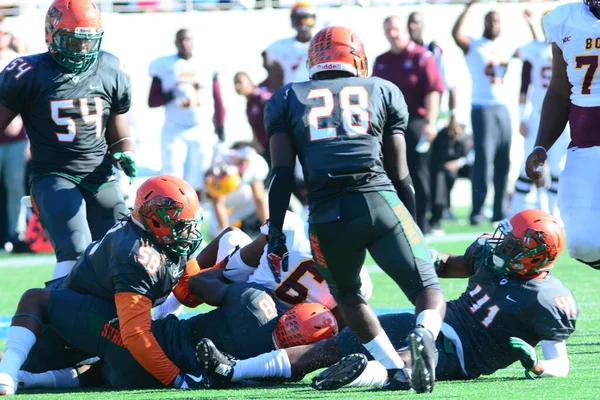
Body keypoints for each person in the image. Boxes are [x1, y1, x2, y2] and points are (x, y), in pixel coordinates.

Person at [199, 209, 577, 390]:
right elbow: (446, 267)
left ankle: (358, 377)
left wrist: (540, 366)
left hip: (465, 354)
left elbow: (560, 364)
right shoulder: (491, 258)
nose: (498, 243)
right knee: (338, 343)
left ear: (532, 258)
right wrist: (416, 251)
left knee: (406, 361)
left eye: (509, 243)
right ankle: (234, 371)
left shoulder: (546, 298)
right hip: (436, 322)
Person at [263, 26, 446, 394]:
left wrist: (276, 232)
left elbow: (281, 175)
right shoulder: (382, 89)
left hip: (327, 215)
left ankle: (396, 369)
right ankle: (424, 334)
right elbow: (401, 173)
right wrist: (410, 222)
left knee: (347, 296)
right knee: (426, 285)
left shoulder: (286, 98)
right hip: (379, 200)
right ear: (357, 59)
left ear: (313, 60)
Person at [0, 175, 204, 395]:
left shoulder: (163, 238)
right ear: (155, 219)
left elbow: (189, 294)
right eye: (181, 224)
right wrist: (176, 379)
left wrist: (231, 266)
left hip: (99, 324)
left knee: (107, 364)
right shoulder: (134, 251)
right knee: (35, 298)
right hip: (76, 325)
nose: (188, 232)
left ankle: (26, 378)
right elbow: (135, 334)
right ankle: (8, 371)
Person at [0, 0, 136, 280]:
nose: (81, 49)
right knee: (76, 248)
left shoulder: (110, 67)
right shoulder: (28, 72)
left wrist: (125, 151)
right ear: (51, 33)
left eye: (87, 41)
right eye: (72, 41)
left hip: (99, 174)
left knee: (125, 249)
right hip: (54, 175)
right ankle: (59, 314)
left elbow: (118, 129)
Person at [525, 0, 600, 270]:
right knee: (582, 243)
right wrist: (541, 147)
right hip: (585, 145)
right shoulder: (564, 19)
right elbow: (559, 91)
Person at [373, 16, 445, 234]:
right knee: (389, 174)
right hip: (387, 126)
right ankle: (396, 224)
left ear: (405, 29)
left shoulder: (422, 57)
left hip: (414, 123)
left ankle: (420, 223)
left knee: (417, 175)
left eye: (395, 29)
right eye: (387, 31)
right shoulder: (381, 60)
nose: (392, 34)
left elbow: (433, 90)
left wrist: (431, 122)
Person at [452, 0, 516, 225]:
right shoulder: (475, 45)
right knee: (483, 161)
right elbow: (456, 34)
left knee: (503, 161)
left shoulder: (505, 45)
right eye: (490, 20)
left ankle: (499, 210)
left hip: (503, 108)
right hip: (482, 108)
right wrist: (468, 6)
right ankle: (477, 211)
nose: (494, 24)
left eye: (497, 21)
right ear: (485, 23)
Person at [148, 28, 225, 196]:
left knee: (200, 174)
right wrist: (170, 95)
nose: (185, 43)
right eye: (181, 40)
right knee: (172, 174)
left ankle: (197, 209)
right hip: (174, 127)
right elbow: (152, 101)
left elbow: (218, 98)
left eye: (187, 39)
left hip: (201, 127)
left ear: (193, 42)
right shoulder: (164, 65)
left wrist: (220, 125)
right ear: (176, 43)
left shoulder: (206, 65)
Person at [513, 10, 569, 218]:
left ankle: (552, 215)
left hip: (563, 115)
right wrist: (522, 117)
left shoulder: (566, 46)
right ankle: (516, 213)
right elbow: (523, 86)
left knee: (557, 168)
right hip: (537, 115)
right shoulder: (534, 49)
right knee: (529, 165)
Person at [0, 15, 28, 250]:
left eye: (4, 33)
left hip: (15, 138)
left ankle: (15, 234)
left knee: (15, 188)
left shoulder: (17, 62)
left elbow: (31, 100)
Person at [204, 143, 269, 238]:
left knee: (265, 197)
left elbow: (259, 197)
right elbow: (218, 202)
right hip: (216, 202)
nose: (243, 164)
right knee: (213, 232)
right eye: (240, 160)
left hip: (242, 197)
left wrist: (267, 228)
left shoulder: (255, 165)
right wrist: (225, 233)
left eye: (246, 161)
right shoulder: (220, 163)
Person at [264, 1, 317, 90]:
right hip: (291, 95)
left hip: (315, 93)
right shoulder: (280, 46)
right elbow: (268, 66)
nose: (303, 24)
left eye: (307, 19)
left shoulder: (320, 45)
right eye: (299, 19)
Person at [233, 72, 273, 164]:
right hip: (267, 148)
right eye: (235, 83)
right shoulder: (249, 105)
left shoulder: (262, 98)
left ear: (250, 82)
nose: (237, 86)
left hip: (276, 144)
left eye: (240, 82)